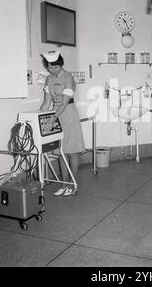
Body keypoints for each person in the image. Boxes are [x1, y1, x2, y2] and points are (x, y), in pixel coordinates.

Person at [40, 50, 85, 196]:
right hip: (56, 114)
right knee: (60, 152)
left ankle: (72, 183)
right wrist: (39, 117)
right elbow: (47, 102)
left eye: (55, 67)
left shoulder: (68, 77)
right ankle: (64, 184)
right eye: (50, 67)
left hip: (68, 114)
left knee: (71, 151)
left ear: (60, 64)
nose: (52, 70)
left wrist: (52, 118)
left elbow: (64, 103)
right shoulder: (49, 79)